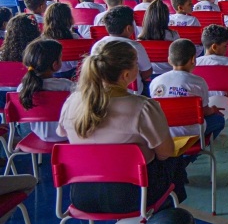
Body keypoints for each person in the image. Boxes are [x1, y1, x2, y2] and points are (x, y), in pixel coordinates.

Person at [57, 40, 188, 212]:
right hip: (134, 196)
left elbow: (62, 134)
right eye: (136, 64)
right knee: (174, 158)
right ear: (126, 75)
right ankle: (168, 218)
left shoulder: (71, 102)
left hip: (83, 195)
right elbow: (165, 153)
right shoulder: (143, 107)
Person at [149, 39, 225, 140]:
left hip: (164, 133)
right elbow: (204, 111)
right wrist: (213, 110)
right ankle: (197, 146)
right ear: (193, 59)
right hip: (191, 133)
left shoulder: (155, 82)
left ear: (169, 60)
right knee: (219, 120)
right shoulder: (199, 82)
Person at [18, 39, 73, 142]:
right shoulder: (67, 86)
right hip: (66, 134)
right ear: (55, 64)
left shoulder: (22, 88)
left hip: (37, 134)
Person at [90, 6, 152, 94]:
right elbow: (147, 72)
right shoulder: (135, 46)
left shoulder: (97, 45)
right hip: (132, 93)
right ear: (128, 28)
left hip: (103, 92)